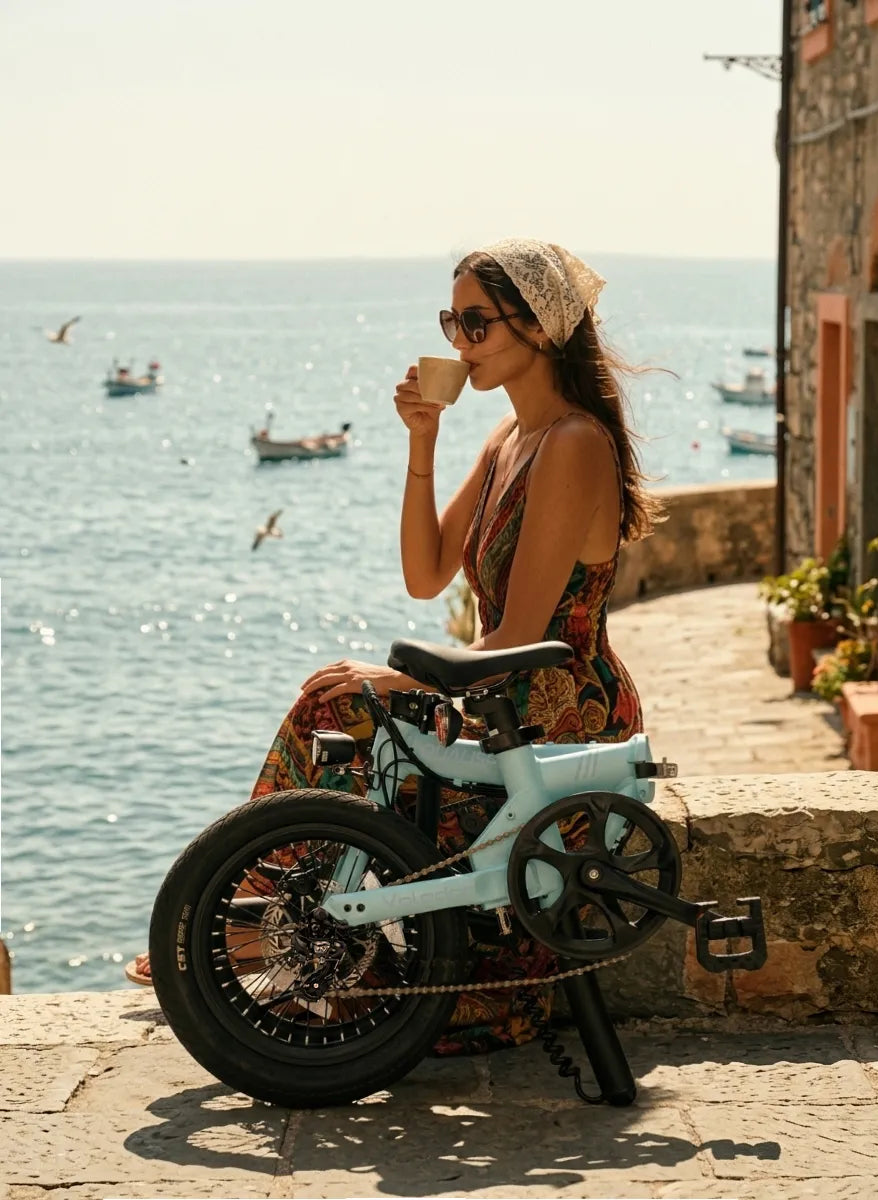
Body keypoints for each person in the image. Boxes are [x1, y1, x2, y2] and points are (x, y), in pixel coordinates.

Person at [126, 238, 663, 1055]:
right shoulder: (509, 440)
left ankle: (240, 925)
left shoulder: (573, 444)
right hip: (497, 699)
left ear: (540, 327)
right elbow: (425, 574)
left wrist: (396, 679)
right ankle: (251, 920)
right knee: (332, 710)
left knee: (339, 705)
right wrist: (422, 439)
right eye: (452, 322)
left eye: (477, 323)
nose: (459, 341)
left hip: (555, 715)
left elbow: (523, 635)